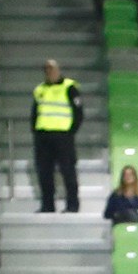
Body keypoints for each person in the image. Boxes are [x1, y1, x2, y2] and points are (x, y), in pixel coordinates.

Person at [31, 58, 82, 215]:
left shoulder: (70, 87)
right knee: (44, 173)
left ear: (58, 70)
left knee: (68, 171)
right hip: (43, 137)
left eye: (52, 69)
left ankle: (72, 205)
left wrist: (70, 132)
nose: (49, 72)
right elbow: (34, 113)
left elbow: (79, 113)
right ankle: (48, 205)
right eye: (46, 69)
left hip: (63, 136)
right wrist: (36, 132)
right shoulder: (39, 90)